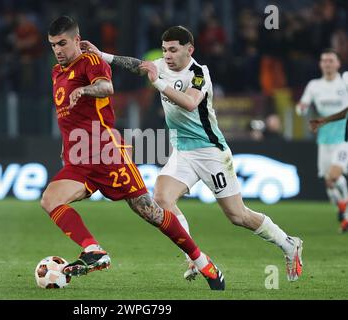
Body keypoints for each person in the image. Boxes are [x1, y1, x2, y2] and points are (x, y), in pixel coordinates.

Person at [81, 25, 303, 282]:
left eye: (173, 50)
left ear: (190, 49)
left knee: (237, 215)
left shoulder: (199, 73)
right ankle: (193, 259)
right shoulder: (161, 65)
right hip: (183, 152)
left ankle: (289, 244)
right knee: (162, 199)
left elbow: (189, 102)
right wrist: (102, 55)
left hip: (210, 152)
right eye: (164, 50)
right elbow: (137, 65)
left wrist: (158, 82)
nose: (167, 56)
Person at [42, 16, 225, 290]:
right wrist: (64, 146)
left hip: (106, 154)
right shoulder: (57, 72)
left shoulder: (89, 62)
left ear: (76, 40)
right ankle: (94, 250)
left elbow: (107, 87)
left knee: (150, 211)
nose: (58, 50)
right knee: (50, 199)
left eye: (63, 43)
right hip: (78, 157)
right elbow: (68, 117)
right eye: (53, 45)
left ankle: (203, 262)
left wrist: (84, 89)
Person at [296, 49, 348, 232]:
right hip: (324, 139)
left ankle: (345, 210)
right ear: (320, 64)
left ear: (338, 64)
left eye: (331, 60)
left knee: (334, 175)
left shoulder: (345, 81)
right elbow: (303, 105)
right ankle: (342, 210)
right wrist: (302, 109)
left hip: (343, 138)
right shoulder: (314, 85)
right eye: (324, 60)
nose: (327, 63)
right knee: (329, 183)